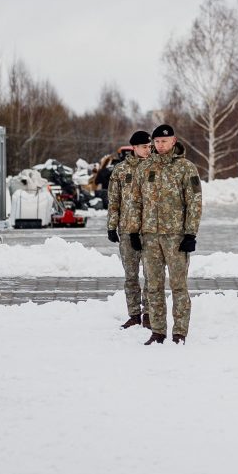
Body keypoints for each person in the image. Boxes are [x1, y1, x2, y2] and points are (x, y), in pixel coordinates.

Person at [125, 124, 202, 345]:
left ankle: (179, 333)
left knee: (178, 286)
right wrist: (133, 231)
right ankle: (158, 331)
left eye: (164, 141)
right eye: (156, 142)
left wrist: (190, 234)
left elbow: (194, 202)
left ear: (174, 141)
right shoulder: (144, 167)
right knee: (154, 286)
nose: (160, 145)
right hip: (150, 237)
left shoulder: (186, 168)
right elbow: (135, 201)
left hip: (176, 237)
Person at [106, 131, 153, 329]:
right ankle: (134, 314)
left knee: (152, 275)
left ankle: (149, 315)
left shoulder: (156, 167)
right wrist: (111, 226)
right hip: (126, 230)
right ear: (134, 147)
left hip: (151, 231)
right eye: (144, 146)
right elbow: (114, 200)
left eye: (149, 146)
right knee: (131, 276)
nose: (148, 150)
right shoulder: (120, 170)